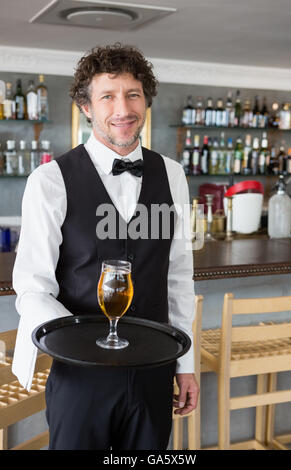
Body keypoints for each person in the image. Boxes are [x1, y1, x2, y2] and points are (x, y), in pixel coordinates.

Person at [12, 43, 198, 450]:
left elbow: (179, 277)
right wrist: (81, 338)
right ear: (86, 106)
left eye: (133, 94)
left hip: (155, 369)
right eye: (107, 96)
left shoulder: (174, 175)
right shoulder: (50, 181)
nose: (123, 109)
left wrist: (186, 363)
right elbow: (32, 288)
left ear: (146, 100)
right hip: (81, 377)